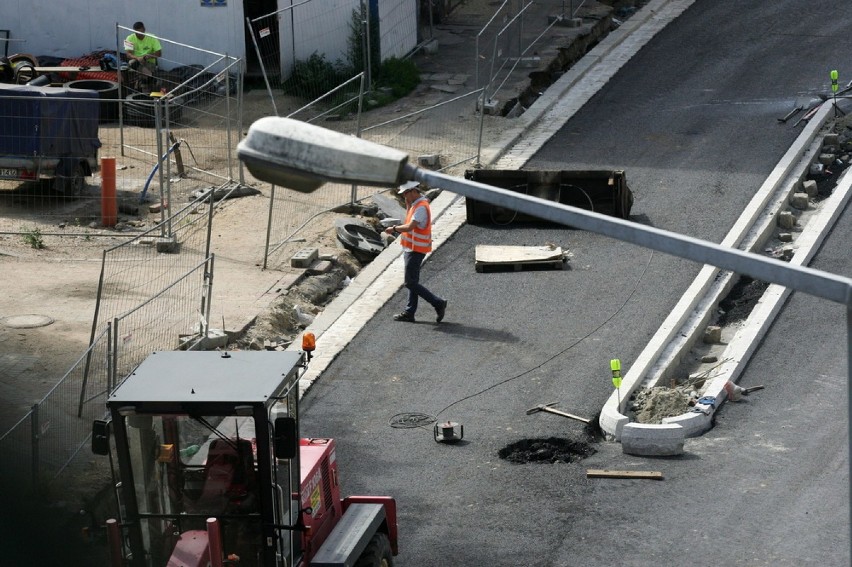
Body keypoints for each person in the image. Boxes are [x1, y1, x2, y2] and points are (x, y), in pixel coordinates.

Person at [385, 181, 448, 323]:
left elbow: (410, 226)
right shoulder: (415, 204)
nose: (404, 196)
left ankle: (438, 303)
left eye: (406, 193)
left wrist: (394, 229)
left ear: (413, 191)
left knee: (410, 283)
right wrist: (407, 202)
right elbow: (409, 217)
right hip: (411, 248)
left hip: (416, 249)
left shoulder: (421, 207)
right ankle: (409, 312)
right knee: (413, 281)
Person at [124, 21, 161, 89]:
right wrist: (138, 58)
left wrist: (145, 57)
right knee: (132, 63)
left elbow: (159, 53)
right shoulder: (129, 38)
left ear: (144, 29)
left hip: (149, 62)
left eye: (141, 32)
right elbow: (128, 54)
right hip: (136, 62)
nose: (139, 34)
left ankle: (144, 84)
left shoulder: (152, 37)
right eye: (137, 33)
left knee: (144, 81)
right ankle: (152, 77)